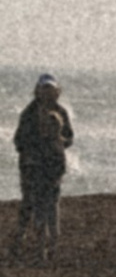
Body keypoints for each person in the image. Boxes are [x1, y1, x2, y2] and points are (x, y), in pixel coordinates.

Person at [11, 75, 73, 261]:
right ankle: (21, 239)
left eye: (50, 89)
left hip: (52, 166)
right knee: (29, 205)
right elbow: (18, 141)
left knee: (49, 207)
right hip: (31, 167)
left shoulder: (61, 112)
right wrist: (35, 151)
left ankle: (47, 247)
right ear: (37, 90)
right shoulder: (29, 113)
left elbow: (69, 137)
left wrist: (57, 142)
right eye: (44, 89)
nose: (47, 93)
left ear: (56, 91)